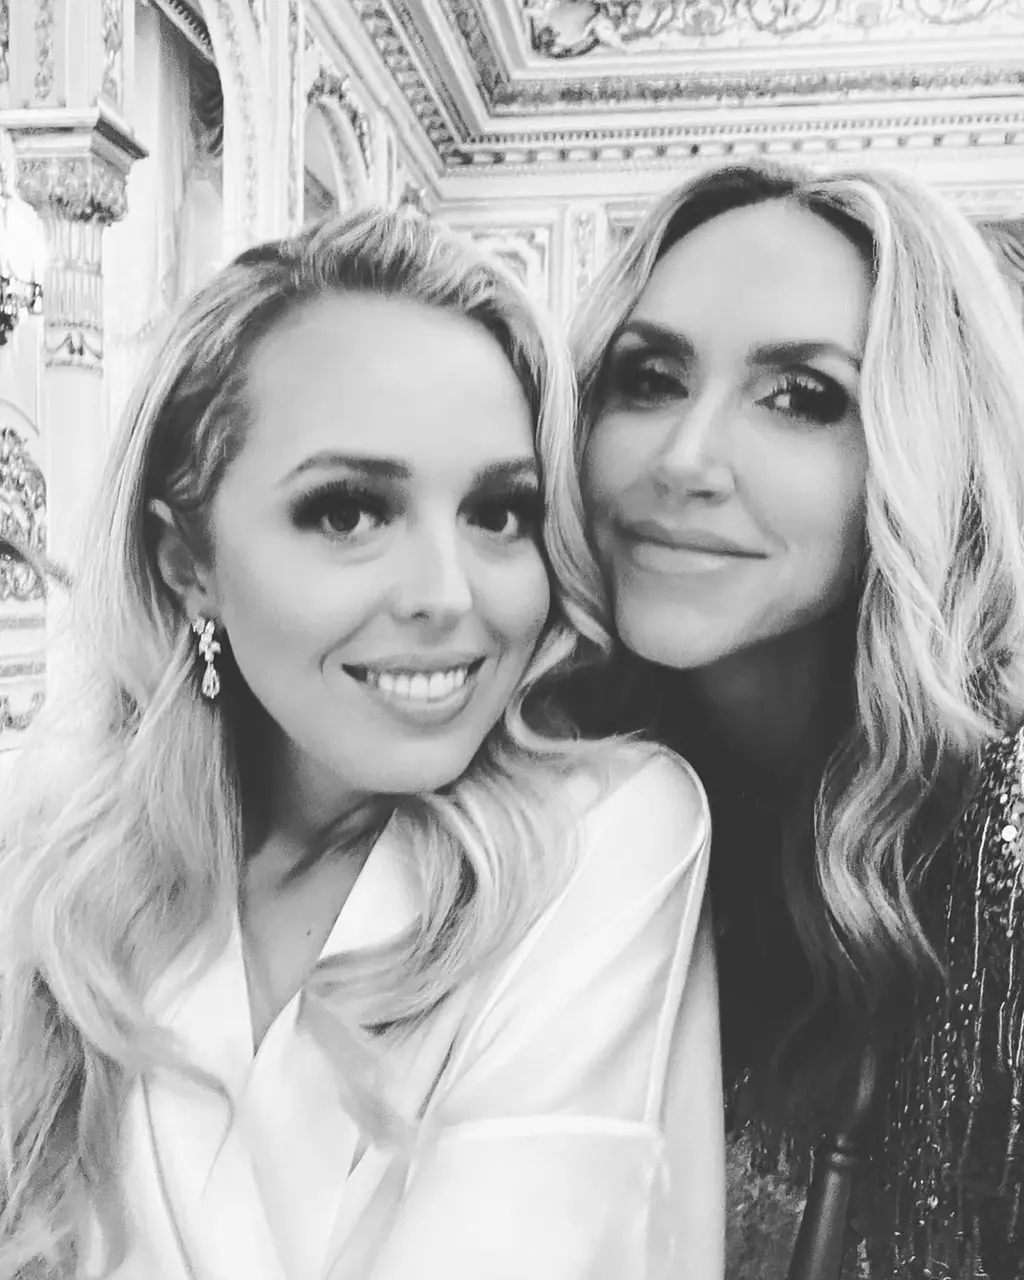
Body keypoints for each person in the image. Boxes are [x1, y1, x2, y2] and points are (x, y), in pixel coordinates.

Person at [0, 210, 723, 1279]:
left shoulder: (604, 833)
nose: (447, 594)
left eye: (500, 512)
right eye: (347, 512)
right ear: (186, 563)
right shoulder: (54, 862)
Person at [566, 160, 1024, 1278]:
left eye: (802, 397)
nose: (683, 459)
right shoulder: (570, 801)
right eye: (649, 378)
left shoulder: (1001, 841)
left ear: (925, 451)